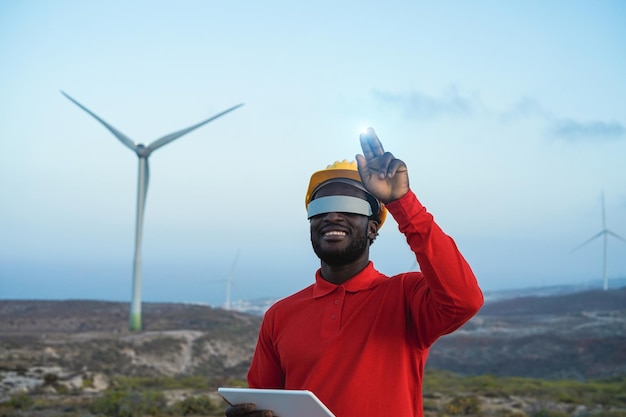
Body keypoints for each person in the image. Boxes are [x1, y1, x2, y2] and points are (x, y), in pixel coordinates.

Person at [225, 128, 483, 417]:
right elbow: (264, 403)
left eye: (350, 206)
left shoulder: (406, 297)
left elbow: (464, 300)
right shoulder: (280, 315)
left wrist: (403, 202)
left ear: (373, 227)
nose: (332, 216)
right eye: (319, 207)